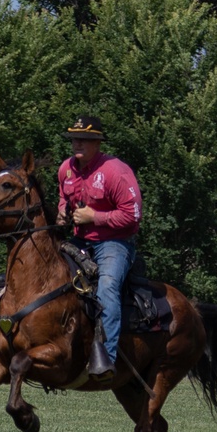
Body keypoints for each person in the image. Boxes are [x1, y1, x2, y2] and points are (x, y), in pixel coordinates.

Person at [57, 114, 142, 382]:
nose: (77, 143)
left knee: (106, 286)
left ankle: (106, 358)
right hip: (79, 242)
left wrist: (95, 218)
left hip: (115, 243)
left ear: (97, 142)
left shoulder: (116, 171)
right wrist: (62, 213)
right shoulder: (66, 169)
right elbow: (63, 198)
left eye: (84, 139)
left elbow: (133, 216)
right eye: (74, 139)